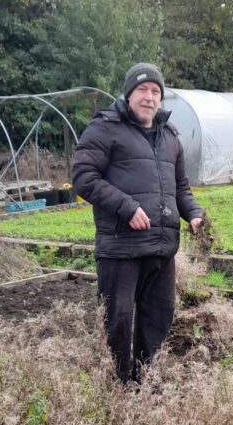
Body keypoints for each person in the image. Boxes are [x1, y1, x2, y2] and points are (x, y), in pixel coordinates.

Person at [72, 62, 204, 382]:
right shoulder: (105, 128)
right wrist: (127, 208)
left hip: (161, 247)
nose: (149, 97)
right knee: (118, 320)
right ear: (129, 94)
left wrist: (195, 214)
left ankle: (144, 381)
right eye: (142, 90)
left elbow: (181, 187)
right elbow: (82, 177)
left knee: (157, 317)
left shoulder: (169, 137)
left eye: (155, 91)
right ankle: (119, 383)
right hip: (121, 247)